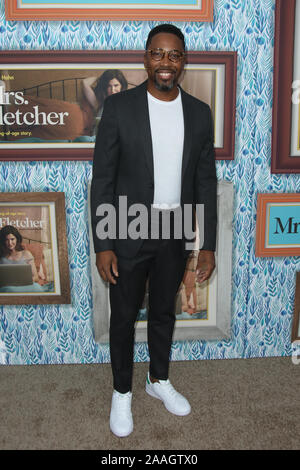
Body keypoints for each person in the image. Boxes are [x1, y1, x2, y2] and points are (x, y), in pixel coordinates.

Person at [91, 24, 217, 438]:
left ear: (183, 61)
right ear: (145, 58)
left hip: (176, 227)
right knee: (125, 316)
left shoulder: (199, 113)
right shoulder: (120, 107)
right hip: (127, 225)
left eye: (174, 55)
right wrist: (103, 243)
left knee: (164, 311)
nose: (166, 62)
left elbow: (204, 182)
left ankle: (158, 380)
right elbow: (103, 179)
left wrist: (208, 245)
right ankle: (122, 392)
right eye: (158, 53)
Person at [0, 225, 44, 292]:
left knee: (38, 289)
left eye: (12, 239)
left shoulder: (26, 254)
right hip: (8, 287)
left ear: (17, 239)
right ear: (3, 241)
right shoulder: (1, 256)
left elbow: (36, 277)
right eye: (6, 240)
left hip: (26, 285)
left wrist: (25, 281)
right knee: (11, 290)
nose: (10, 243)